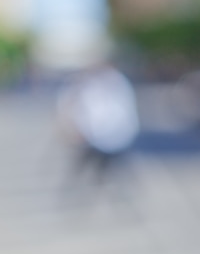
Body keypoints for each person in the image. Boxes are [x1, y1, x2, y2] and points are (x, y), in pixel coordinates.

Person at [57, 63, 140, 206]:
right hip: (102, 138)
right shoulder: (111, 84)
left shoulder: (108, 85)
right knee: (92, 172)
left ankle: (121, 201)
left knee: (104, 172)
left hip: (105, 138)